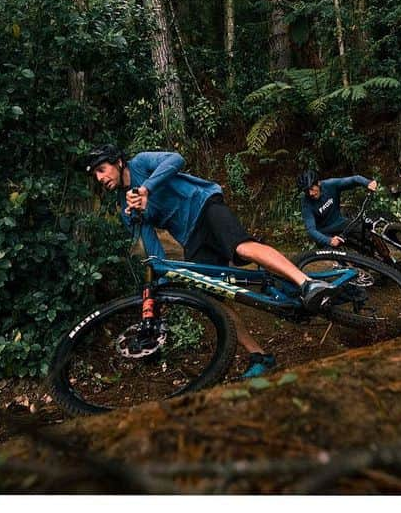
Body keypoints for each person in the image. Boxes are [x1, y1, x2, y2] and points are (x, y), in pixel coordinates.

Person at [83, 145, 338, 378]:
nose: (100, 178)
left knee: (242, 247)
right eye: (95, 175)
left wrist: (147, 188)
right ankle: (260, 355)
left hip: (204, 204)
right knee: (216, 298)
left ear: (118, 162)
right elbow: (153, 251)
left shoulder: (140, 163)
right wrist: (162, 278)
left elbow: (176, 159)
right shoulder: (125, 205)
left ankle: (307, 283)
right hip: (190, 237)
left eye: (102, 170)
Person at [298, 170, 379, 248]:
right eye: (306, 191)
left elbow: (354, 179)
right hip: (324, 233)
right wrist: (329, 240)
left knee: (366, 234)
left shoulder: (329, 185)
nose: (311, 193)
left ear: (318, 183)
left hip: (340, 223)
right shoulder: (306, 202)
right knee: (334, 254)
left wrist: (368, 183)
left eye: (312, 188)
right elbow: (311, 230)